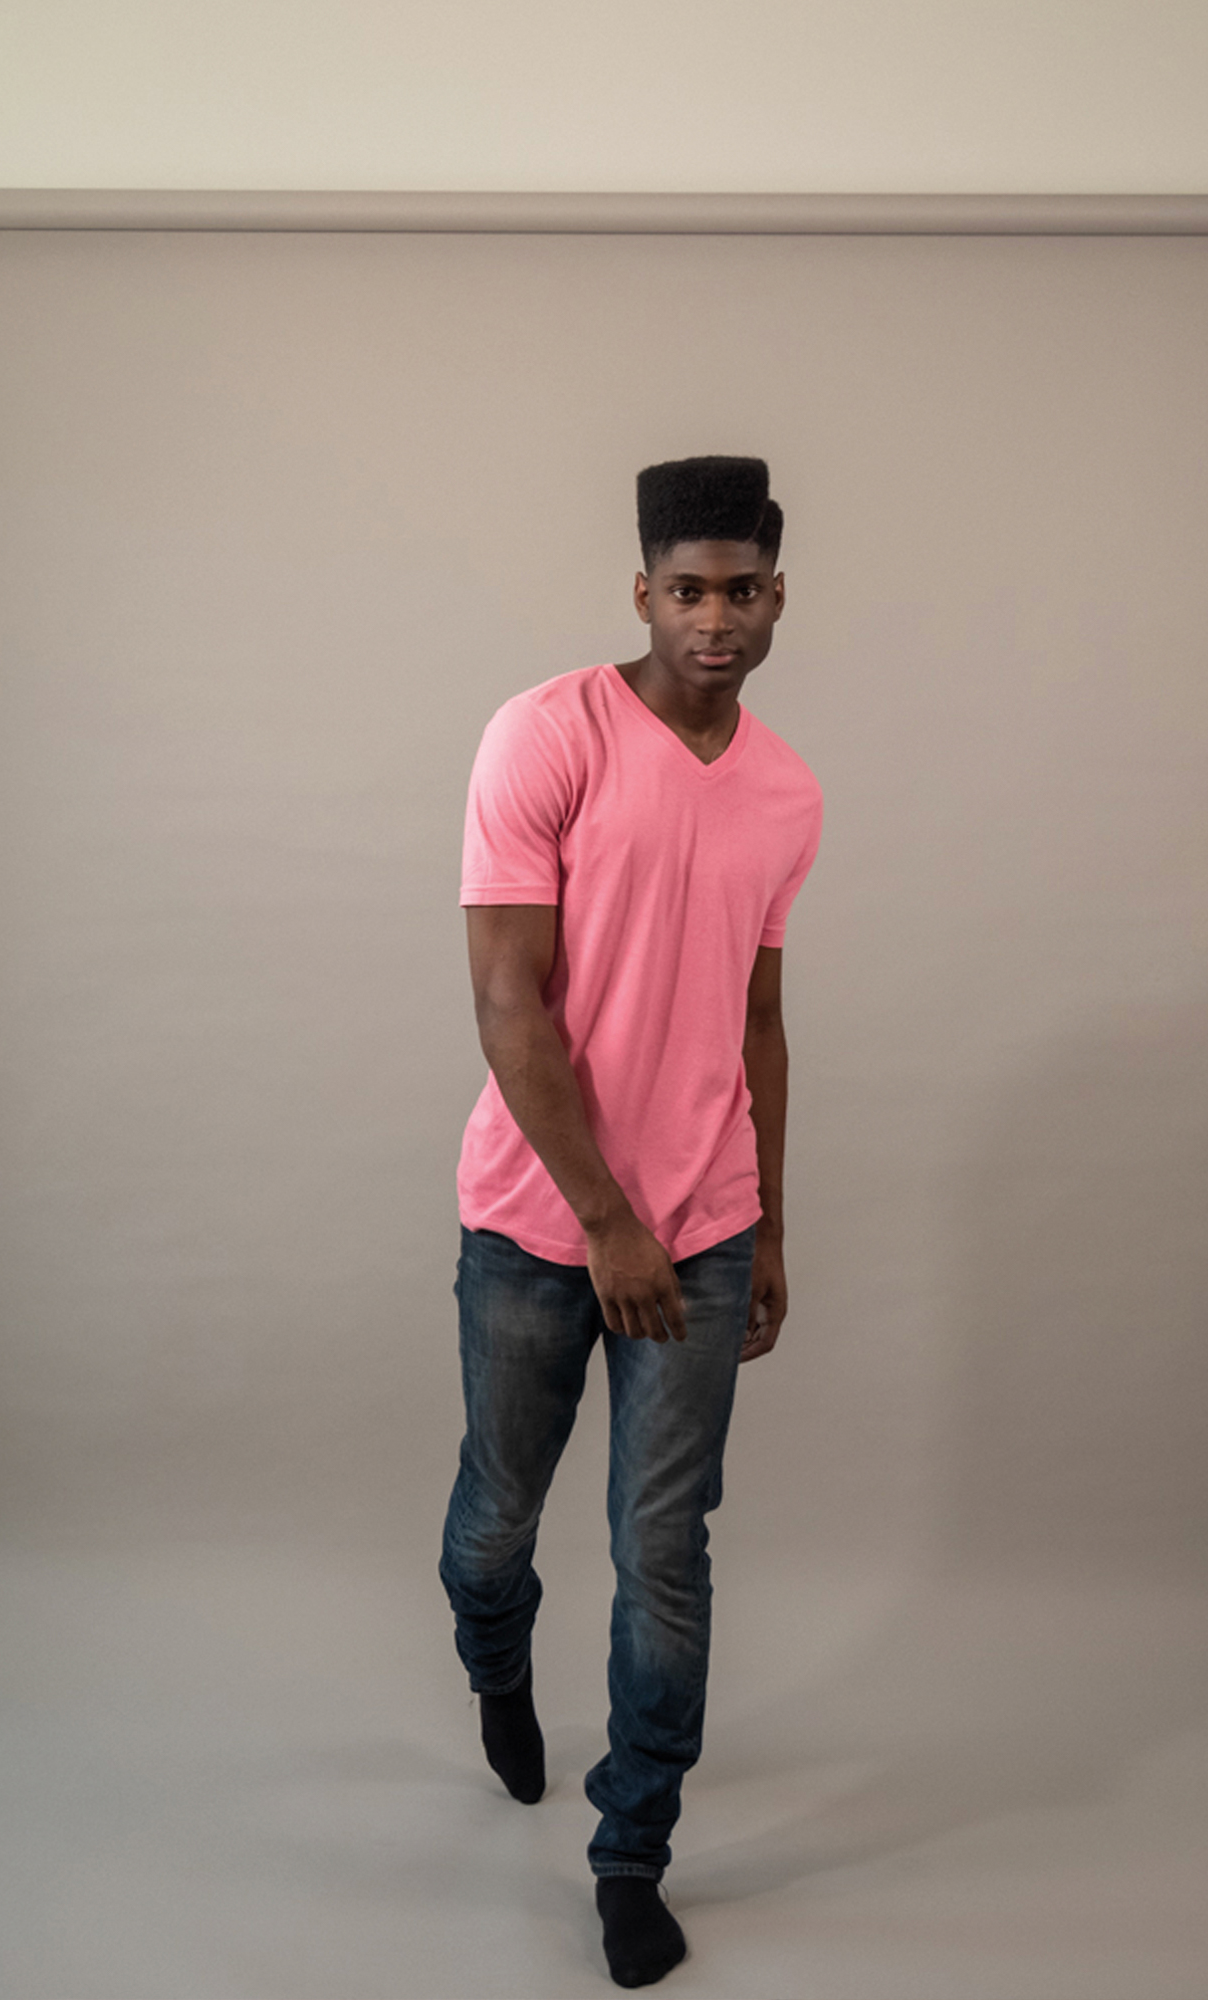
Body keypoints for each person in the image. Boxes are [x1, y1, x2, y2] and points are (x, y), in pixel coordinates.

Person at [439, 456, 824, 1987]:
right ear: (643, 592)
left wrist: (766, 1226)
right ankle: (494, 1662)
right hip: (541, 1223)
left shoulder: (788, 791)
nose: (714, 619)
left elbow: (761, 1022)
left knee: (664, 1547)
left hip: (706, 1231)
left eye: (741, 591)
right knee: (495, 1527)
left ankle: (631, 1850)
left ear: (779, 598)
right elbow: (506, 1003)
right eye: (686, 591)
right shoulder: (545, 736)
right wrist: (608, 1222)